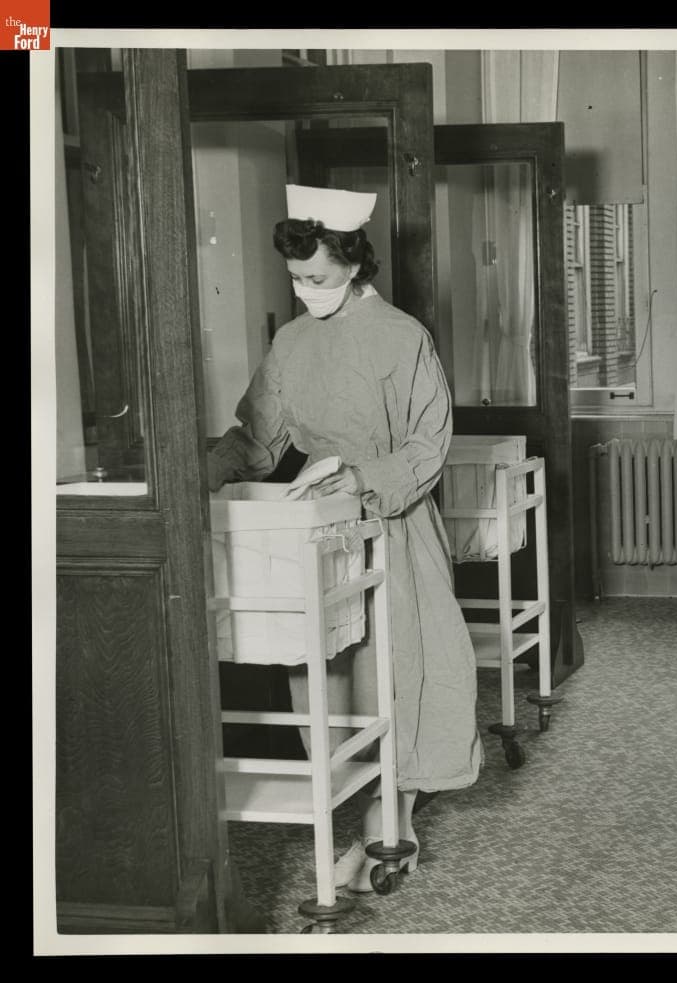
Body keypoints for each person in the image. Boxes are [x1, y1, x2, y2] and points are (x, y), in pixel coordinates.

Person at [207, 184, 482, 891]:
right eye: (296, 280)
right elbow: (258, 443)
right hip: (322, 538)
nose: (305, 293)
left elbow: (427, 446)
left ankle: (389, 823)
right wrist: (190, 472)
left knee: (406, 676)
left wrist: (359, 476)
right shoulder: (292, 342)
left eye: (319, 279)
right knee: (332, 685)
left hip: (394, 528)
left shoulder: (402, 337)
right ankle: (372, 815)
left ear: (356, 264)